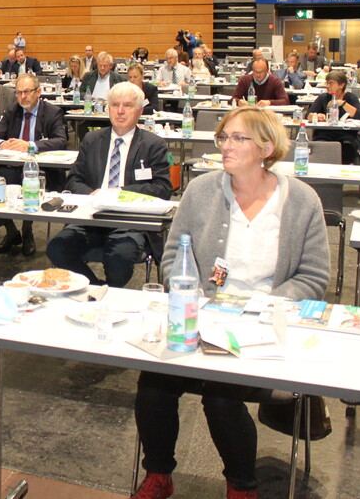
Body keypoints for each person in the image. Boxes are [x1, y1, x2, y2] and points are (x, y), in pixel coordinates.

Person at [131, 106, 329, 499]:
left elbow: (314, 278)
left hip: (262, 326)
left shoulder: (301, 201)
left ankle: (241, 486)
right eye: (224, 137)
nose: (226, 146)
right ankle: (159, 474)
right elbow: (172, 257)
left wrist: (262, 307)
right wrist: (191, 296)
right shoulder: (201, 191)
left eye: (238, 138)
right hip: (202, 318)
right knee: (152, 383)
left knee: (220, 395)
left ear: (266, 147)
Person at [46, 82, 171, 287]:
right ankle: (97, 290)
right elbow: (74, 179)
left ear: (139, 111)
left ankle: (107, 293)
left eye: (127, 106)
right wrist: (94, 195)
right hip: (90, 217)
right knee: (56, 248)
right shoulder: (92, 139)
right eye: (115, 105)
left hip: (129, 221)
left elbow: (162, 189)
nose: (120, 111)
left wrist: (118, 194)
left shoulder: (153, 145)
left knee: (120, 259)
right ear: (108, 109)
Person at [0, 73, 67, 256]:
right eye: (18, 93)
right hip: (14, 167)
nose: (22, 97)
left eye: (27, 92)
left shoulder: (53, 112)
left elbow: (61, 141)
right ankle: (11, 231)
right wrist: (1, 143)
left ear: (38, 92)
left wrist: (30, 146)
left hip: (43, 169)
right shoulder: (12, 110)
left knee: (30, 184)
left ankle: (27, 229)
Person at [307, 70, 360, 164]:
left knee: (348, 147)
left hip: (346, 134)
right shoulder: (323, 97)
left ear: (341, 85)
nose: (328, 86)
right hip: (324, 134)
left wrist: (343, 104)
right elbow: (308, 115)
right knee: (320, 145)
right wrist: (317, 116)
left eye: (331, 83)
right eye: (327, 83)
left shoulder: (351, 98)